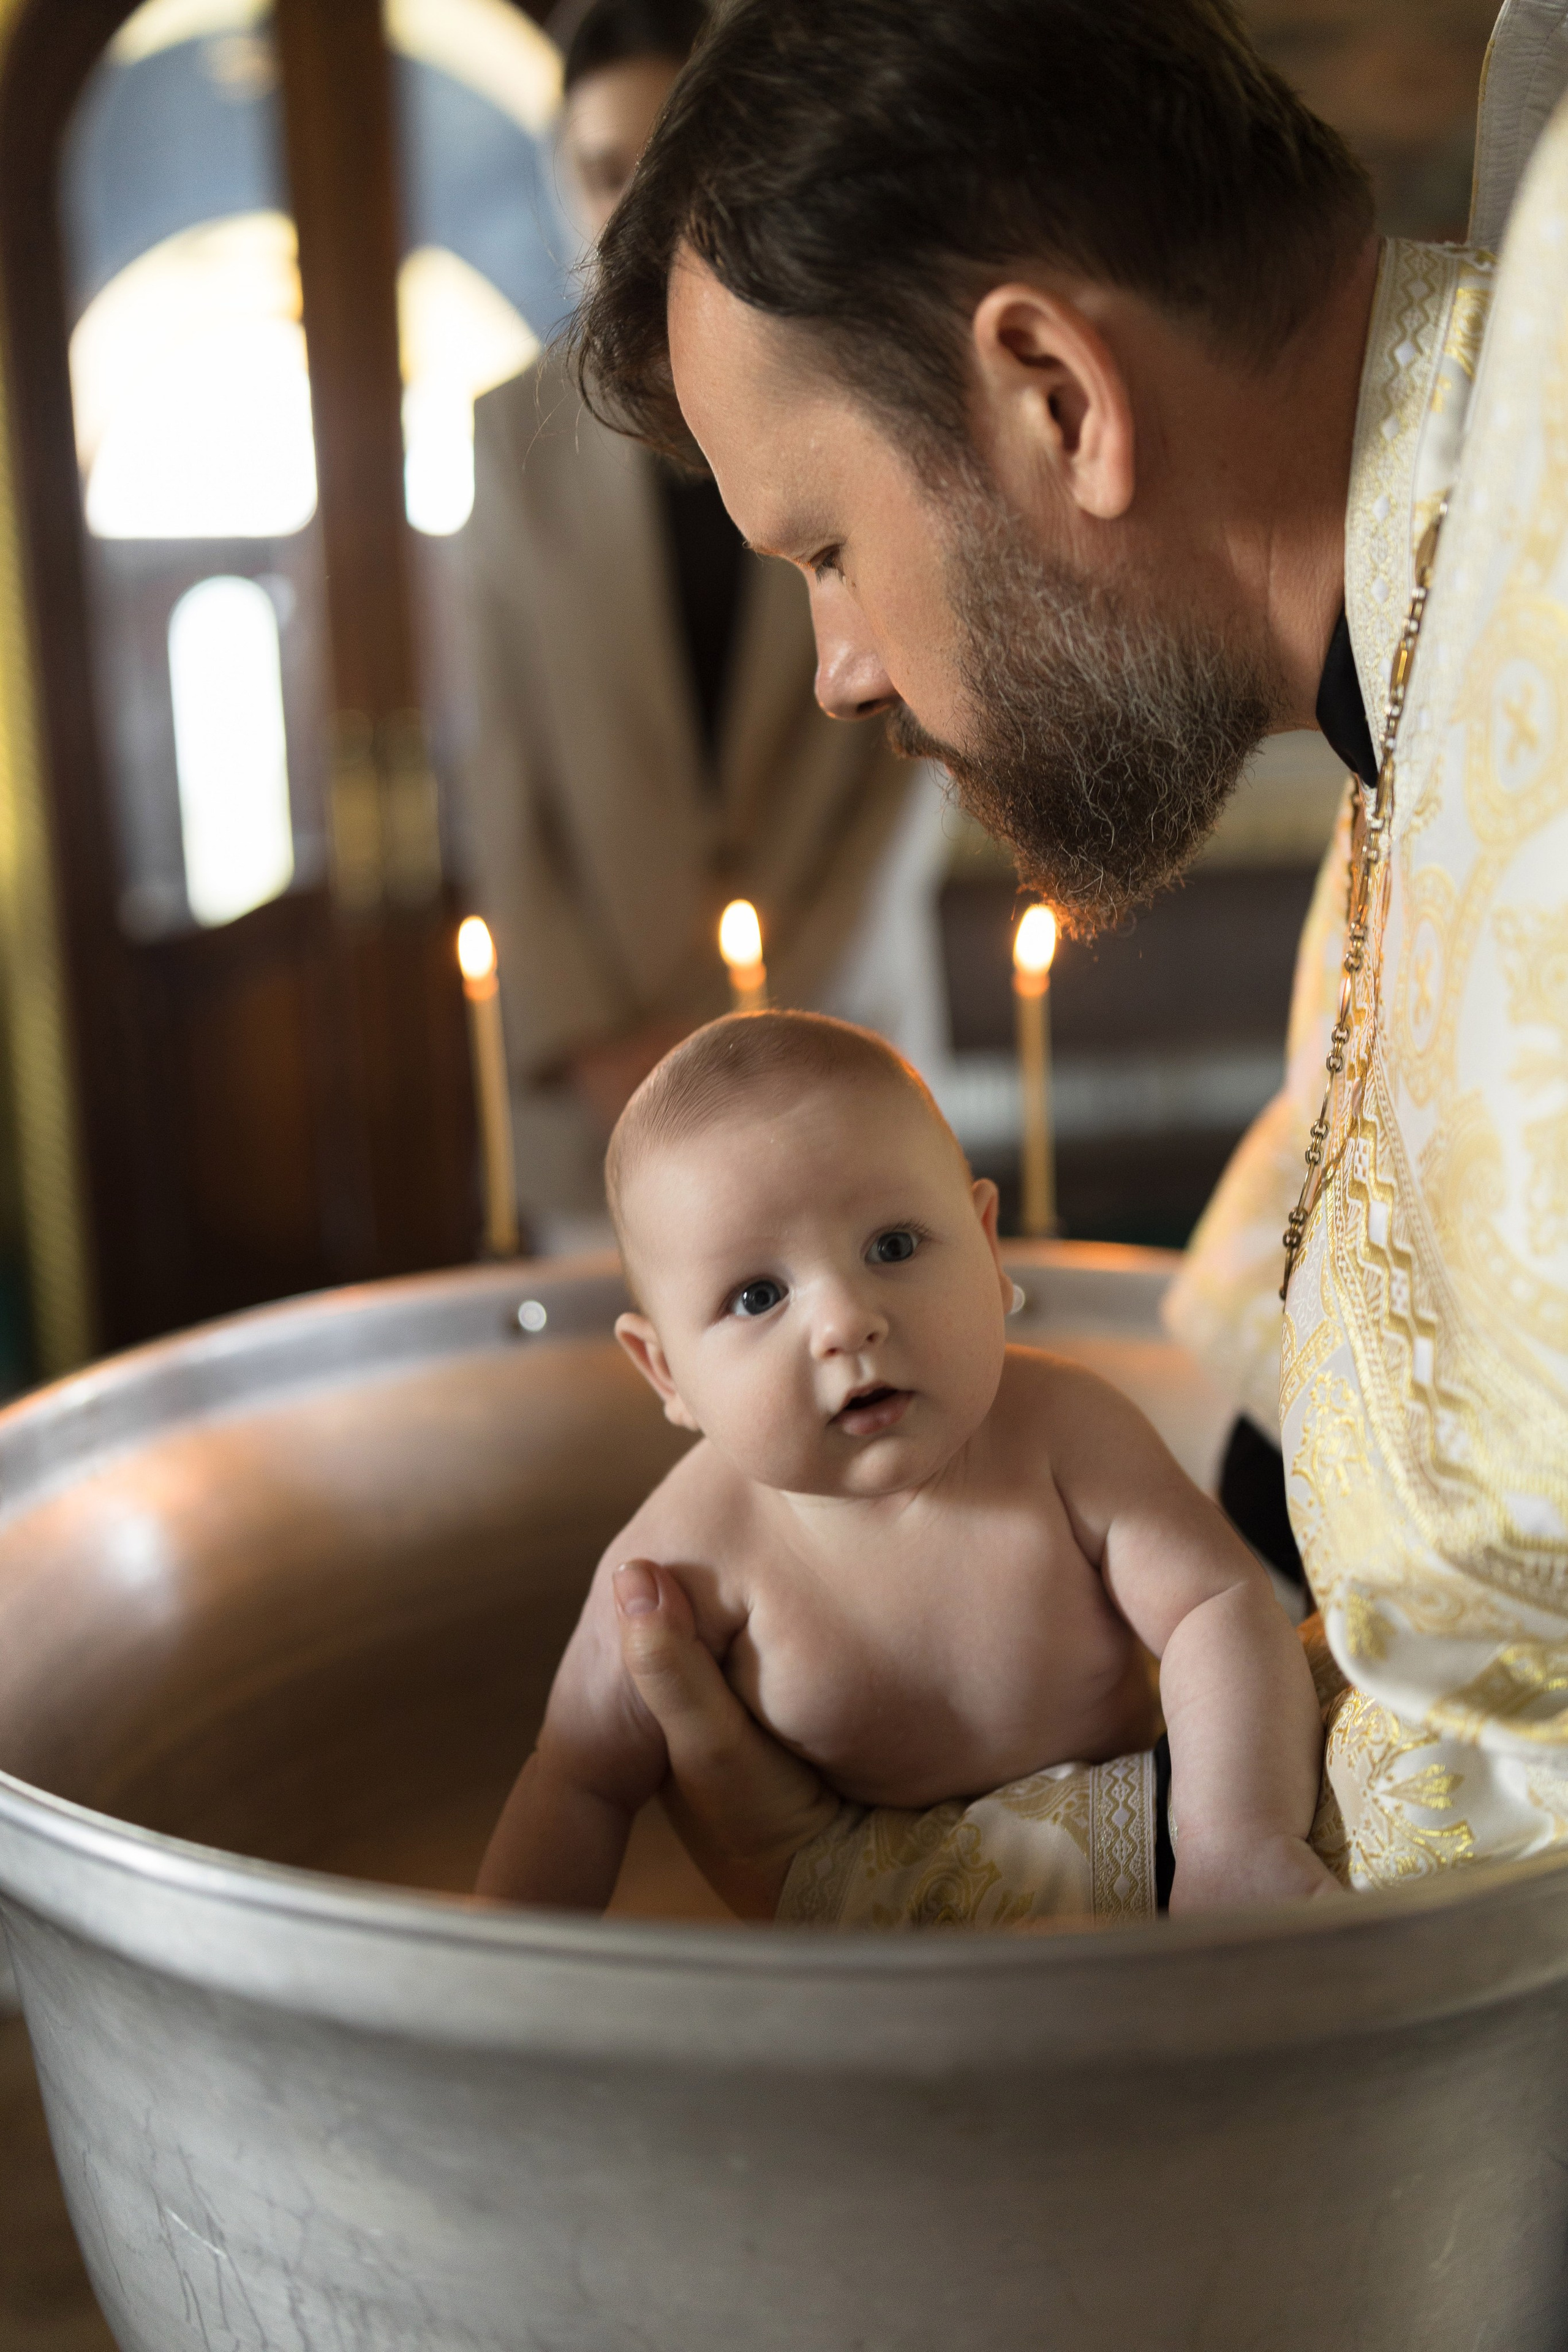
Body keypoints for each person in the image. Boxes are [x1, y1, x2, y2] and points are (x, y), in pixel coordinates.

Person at [542, 0, 1568, 1921]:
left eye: (829, 548)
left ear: (1059, 399)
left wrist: (863, 1887)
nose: (841, 667)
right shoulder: (1443, 634)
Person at [477, 1011, 1333, 1918]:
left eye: (893, 1246)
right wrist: (496, 1998)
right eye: (758, 1296)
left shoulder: (1066, 1435)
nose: (847, 1320)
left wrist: (1232, 1838)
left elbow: (1220, 1605)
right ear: (667, 1373)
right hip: (864, 1953)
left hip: (1124, 1850)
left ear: (989, 1249)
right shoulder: (684, 1555)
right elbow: (576, 1783)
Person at [461, 0, 916, 1239]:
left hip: (842, 1031)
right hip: (602, 1084)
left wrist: (778, 1011)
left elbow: (906, 756)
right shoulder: (505, 440)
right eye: (606, 172)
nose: (633, 212)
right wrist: (599, 1043)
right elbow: (499, 773)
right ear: (565, 180)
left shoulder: (856, 383)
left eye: (666, 166)